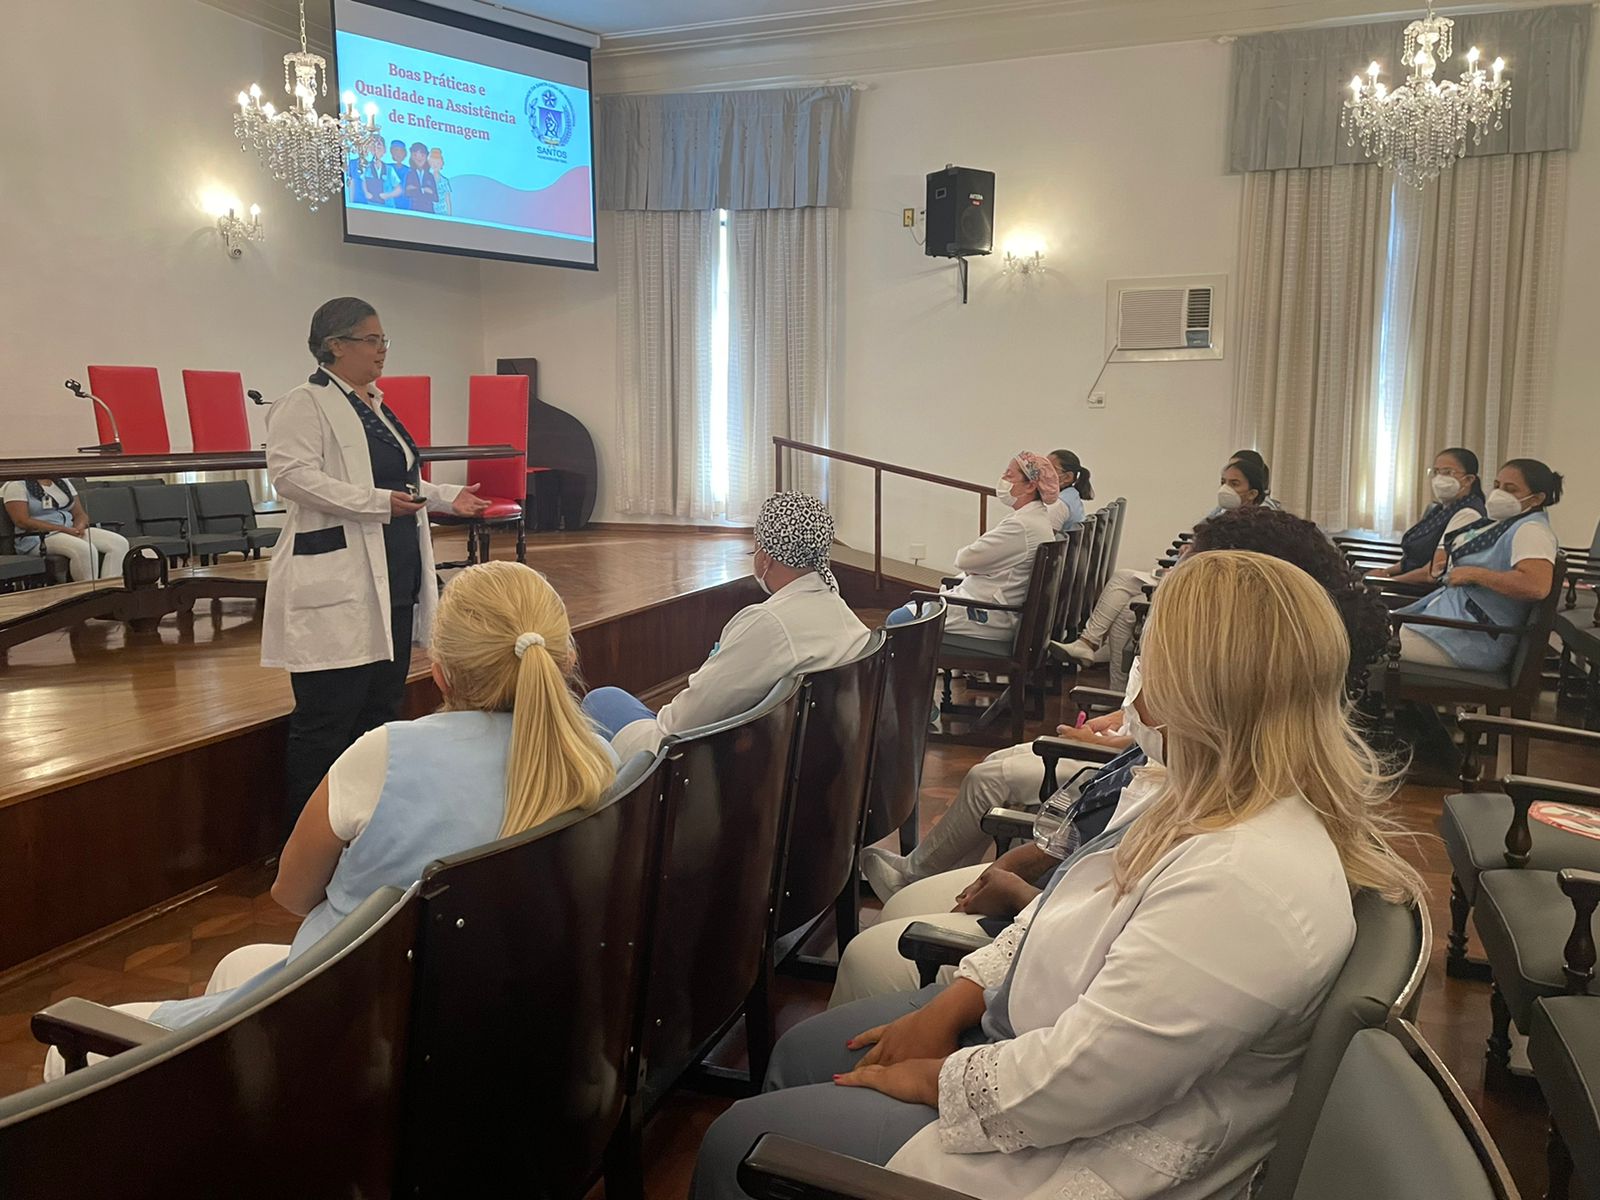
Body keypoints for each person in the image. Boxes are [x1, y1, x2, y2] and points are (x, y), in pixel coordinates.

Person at [693, 551, 1424, 1200]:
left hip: (1075, 1143)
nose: (1137, 690)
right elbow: (1065, 910)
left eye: (1151, 662)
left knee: (739, 1142)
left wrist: (935, 1079)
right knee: (802, 1051)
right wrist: (955, 1003)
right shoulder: (1202, 792)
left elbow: (1085, 1080)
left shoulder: (1247, 880)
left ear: (1206, 691)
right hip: (1035, 1038)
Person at [42, 561, 619, 1078]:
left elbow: (292, 894)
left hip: (356, 1041)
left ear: (440, 672)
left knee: (64, 1053)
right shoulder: (598, 761)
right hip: (504, 1034)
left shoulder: (383, 756)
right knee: (239, 964)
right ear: (565, 660)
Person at [846, 507, 1393, 1004]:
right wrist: (1038, 860)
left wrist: (1018, 900)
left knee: (871, 956)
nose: (1165, 585)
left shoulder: (1232, 842)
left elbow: (1106, 938)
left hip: (1059, 956)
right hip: (1065, 905)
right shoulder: (1234, 754)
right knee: (902, 911)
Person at [264, 296, 489, 824]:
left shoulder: (374, 405)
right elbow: (291, 477)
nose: (382, 349)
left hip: (394, 573)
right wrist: (376, 503)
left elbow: (399, 480)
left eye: (383, 339)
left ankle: (369, 826)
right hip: (339, 580)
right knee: (328, 718)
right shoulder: (303, 403)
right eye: (371, 340)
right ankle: (306, 838)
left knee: (380, 710)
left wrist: (444, 495)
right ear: (335, 345)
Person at [581, 491, 871, 760]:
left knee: (601, 701)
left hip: (694, 764)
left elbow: (682, 723)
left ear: (766, 558)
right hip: (806, 757)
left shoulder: (768, 624)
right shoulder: (838, 610)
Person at [1059, 454, 1273, 685]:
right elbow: (1202, 534)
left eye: (1234, 483)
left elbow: (1228, 560)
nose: (1225, 489)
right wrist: (1192, 548)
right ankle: (1115, 686)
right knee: (1125, 613)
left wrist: (1193, 556)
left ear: (1253, 493)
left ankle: (1090, 645)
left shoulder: (1254, 524)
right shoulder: (1227, 513)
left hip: (1203, 589)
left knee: (1123, 581)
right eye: (1223, 482)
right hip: (1188, 574)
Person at [1397, 457, 1562, 670]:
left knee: (1367, 646)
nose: (1499, 494)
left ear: (1537, 498)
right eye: (1497, 486)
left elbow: (1536, 585)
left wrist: (1474, 574)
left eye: (1510, 489)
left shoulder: (1532, 531)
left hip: (1471, 640)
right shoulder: (1506, 524)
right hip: (1452, 624)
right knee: (1367, 636)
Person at [886, 453, 1058, 641]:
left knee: (898, 620)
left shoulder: (1022, 526)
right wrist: (983, 567)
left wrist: (981, 567)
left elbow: (965, 560)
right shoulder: (1035, 519)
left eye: (1009, 475)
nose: (1003, 479)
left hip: (988, 614)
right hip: (996, 606)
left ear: (1030, 486)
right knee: (911, 611)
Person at [1380, 448, 1487, 582]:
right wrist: (1384, 573)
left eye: (1448, 472)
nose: (1439, 478)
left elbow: (1433, 572)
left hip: (1422, 587)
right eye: (1436, 472)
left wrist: (1388, 582)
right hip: (1407, 579)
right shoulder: (1439, 509)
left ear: (1469, 479)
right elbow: (1412, 560)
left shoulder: (1468, 514)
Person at [1, 477, 129, 582]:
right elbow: (22, 521)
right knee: (85, 549)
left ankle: (108, 591)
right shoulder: (17, 485)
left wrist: (79, 527)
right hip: (39, 536)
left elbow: (80, 514)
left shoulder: (63, 482)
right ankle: (88, 596)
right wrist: (62, 529)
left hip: (69, 529)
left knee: (118, 543)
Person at [1044, 449, 1091, 536]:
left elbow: (1045, 539)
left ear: (1067, 477)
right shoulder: (1072, 494)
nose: (1043, 473)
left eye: (1050, 469)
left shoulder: (1058, 505)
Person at [403, 142, 438, 213]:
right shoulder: (410, 174)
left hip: (429, 211)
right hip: (414, 210)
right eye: (415, 155)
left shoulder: (430, 176)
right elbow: (407, 193)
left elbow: (435, 197)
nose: (419, 158)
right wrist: (424, 190)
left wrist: (415, 189)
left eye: (422, 155)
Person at [380, 140, 410, 208]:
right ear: (391, 152)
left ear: (405, 153)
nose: (398, 154)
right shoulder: (386, 168)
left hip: (404, 206)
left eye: (401, 151)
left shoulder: (410, 171)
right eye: (396, 151)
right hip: (387, 204)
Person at [429, 147, 453, 216]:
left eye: (438, 163)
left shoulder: (444, 181)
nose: (435, 165)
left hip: (442, 213)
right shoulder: (427, 179)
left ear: (442, 164)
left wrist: (449, 215)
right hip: (429, 212)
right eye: (433, 162)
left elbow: (447, 199)